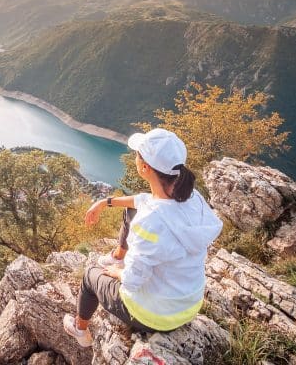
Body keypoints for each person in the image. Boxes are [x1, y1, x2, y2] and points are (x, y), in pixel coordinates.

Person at [63, 128, 223, 346]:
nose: (135, 157)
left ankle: (80, 330)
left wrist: (117, 273)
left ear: (145, 167)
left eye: (137, 154)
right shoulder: (193, 198)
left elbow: (133, 280)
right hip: (189, 304)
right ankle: (118, 254)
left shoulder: (150, 223)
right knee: (131, 209)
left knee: (90, 275)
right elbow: (142, 201)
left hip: (156, 316)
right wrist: (105, 202)